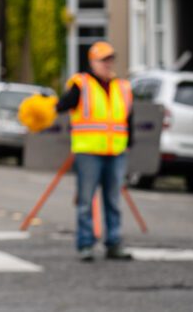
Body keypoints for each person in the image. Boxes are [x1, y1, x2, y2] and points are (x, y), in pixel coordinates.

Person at [56, 41, 134, 262]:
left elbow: (128, 118)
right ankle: (85, 244)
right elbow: (62, 106)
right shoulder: (81, 85)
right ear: (93, 62)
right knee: (86, 200)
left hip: (116, 151)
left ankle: (114, 243)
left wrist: (129, 144)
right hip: (88, 151)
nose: (108, 64)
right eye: (103, 60)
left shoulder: (122, 87)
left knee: (113, 200)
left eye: (110, 60)